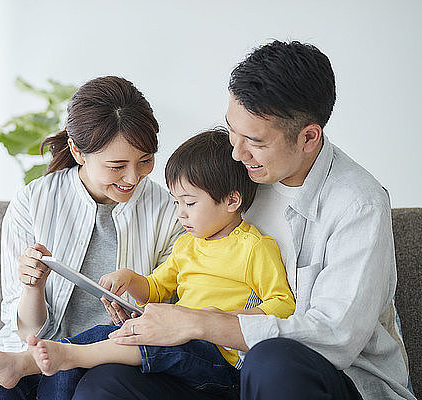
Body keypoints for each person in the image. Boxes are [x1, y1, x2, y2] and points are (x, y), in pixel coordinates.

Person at [74, 41, 416, 400]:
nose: (237, 152)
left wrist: (200, 322)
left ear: (308, 137)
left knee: (272, 361)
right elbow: (191, 272)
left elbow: (335, 339)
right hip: (223, 369)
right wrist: (146, 310)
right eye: (232, 130)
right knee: (106, 383)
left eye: (254, 140)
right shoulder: (234, 178)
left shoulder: (358, 204)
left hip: (331, 378)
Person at [0, 129, 296, 397]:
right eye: (177, 202)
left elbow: (283, 306)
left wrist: (214, 319)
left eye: (189, 203)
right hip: (177, 340)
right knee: (109, 333)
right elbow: (155, 289)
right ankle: (39, 360)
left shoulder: (254, 247)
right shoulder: (187, 245)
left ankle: (63, 356)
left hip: (216, 357)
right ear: (79, 153)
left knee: (141, 342)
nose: (179, 213)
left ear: (231, 201)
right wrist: (129, 280)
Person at [0, 76, 184, 400]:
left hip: (110, 357)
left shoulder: (170, 210)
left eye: (145, 161)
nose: (133, 177)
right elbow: (26, 330)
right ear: (77, 150)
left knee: (63, 375)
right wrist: (33, 287)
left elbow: (173, 308)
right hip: (30, 347)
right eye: (117, 166)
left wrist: (136, 305)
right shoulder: (34, 201)